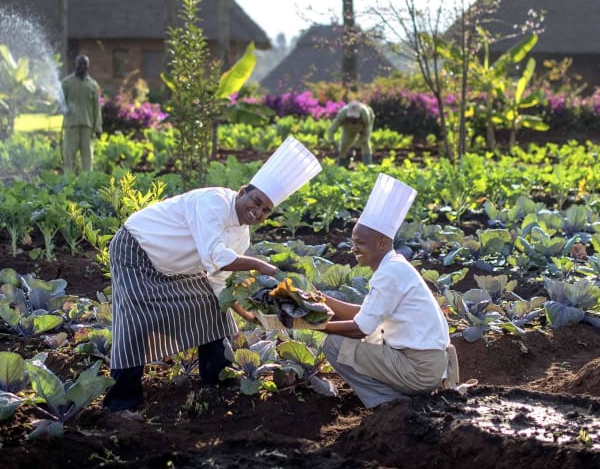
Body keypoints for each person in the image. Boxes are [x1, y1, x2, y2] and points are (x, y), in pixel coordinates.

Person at [103, 135, 322, 413]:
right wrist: (259, 265)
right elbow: (214, 256)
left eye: (266, 210)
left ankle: (217, 377)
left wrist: (246, 313)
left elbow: (218, 281)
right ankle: (122, 402)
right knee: (136, 322)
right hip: (135, 250)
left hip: (174, 266)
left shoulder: (242, 237)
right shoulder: (213, 202)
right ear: (242, 191)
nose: (257, 212)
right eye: (255, 201)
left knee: (211, 305)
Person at [319, 173, 459, 408]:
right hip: (428, 365)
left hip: (419, 370)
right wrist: (321, 299)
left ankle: (389, 403)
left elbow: (360, 327)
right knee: (369, 337)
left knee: (334, 344)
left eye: (360, 243)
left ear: (382, 243)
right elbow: (364, 314)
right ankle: (395, 397)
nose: (354, 248)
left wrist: (313, 325)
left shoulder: (389, 273)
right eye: (353, 242)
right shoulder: (394, 265)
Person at [60, 54, 102, 174]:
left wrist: (98, 128)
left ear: (88, 66)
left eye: (85, 64)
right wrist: (63, 108)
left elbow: (96, 109)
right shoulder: (67, 83)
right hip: (71, 125)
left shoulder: (92, 85)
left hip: (87, 126)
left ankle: (86, 181)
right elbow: (60, 102)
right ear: (76, 65)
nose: (82, 66)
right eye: (80, 64)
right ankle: (69, 181)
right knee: (69, 155)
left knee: (87, 157)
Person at [326, 100, 375, 168]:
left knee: (365, 143)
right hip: (348, 125)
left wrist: (354, 147)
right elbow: (331, 130)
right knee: (345, 142)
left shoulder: (365, 115)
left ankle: (368, 165)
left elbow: (365, 135)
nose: (352, 119)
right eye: (351, 117)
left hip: (362, 125)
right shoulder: (342, 114)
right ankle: (343, 165)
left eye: (354, 117)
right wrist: (333, 143)